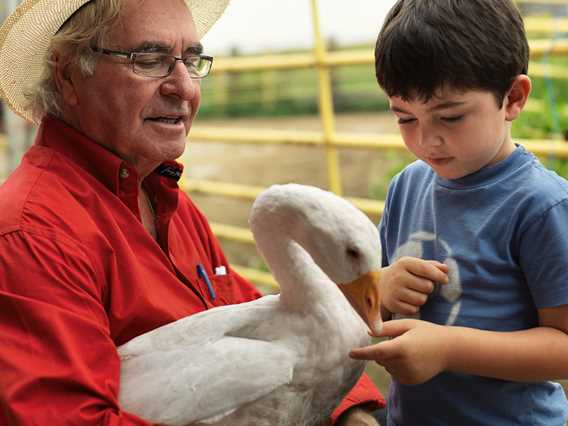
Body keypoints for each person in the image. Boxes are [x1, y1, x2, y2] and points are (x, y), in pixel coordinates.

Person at [0, 0, 385, 424]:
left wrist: (352, 409)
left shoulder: (167, 201)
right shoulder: (34, 236)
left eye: (192, 59)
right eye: (149, 59)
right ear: (67, 74)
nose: (184, 87)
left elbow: (272, 317)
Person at [349, 0, 568, 424]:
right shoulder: (407, 186)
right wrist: (381, 287)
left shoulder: (542, 206)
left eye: (450, 116)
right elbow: (375, 305)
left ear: (513, 98)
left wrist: (448, 349)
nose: (428, 141)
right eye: (405, 118)